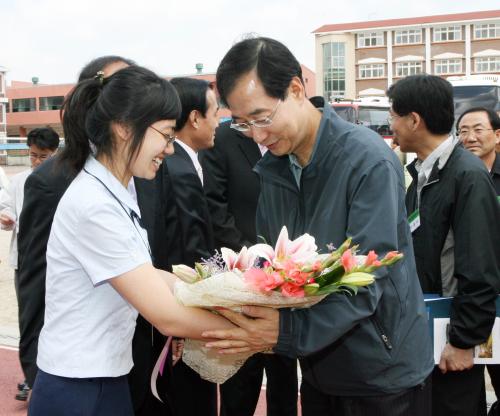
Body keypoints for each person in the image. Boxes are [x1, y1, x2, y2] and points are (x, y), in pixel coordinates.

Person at [202, 36, 433, 416]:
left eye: (262, 118)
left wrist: (284, 333)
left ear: (296, 88)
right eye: (243, 125)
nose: (258, 135)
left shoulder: (366, 160)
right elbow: (274, 269)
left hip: (381, 374)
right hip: (318, 372)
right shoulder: (274, 170)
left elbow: (365, 276)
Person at [26, 66, 235, 415]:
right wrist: (256, 333)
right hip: (78, 387)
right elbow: (166, 316)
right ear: (124, 128)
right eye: (166, 135)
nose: (169, 150)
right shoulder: (94, 205)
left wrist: (228, 291)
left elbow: (150, 275)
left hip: (106, 378)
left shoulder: (119, 190)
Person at [387, 75, 500, 416]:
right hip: (425, 335)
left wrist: (463, 341)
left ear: (414, 120)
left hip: (451, 339)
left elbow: (480, 268)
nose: (390, 124)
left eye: (393, 115)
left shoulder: (466, 175)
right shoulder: (422, 173)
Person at [201, 121, 299, 416]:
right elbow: (214, 205)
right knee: (241, 382)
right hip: (238, 276)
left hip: (286, 275)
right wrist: (252, 260)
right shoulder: (222, 139)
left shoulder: (289, 134)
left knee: (284, 376)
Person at [157, 77, 219, 416]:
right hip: (184, 317)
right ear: (195, 117)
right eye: (215, 111)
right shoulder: (178, 169)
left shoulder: (179, 163)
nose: (218, 120)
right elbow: (191, 250)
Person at [0, 127, 59, 400]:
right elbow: (7, 207)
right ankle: (30, 375)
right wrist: (6, 217)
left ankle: (45, 376)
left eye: (43, 157)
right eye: (33, 155)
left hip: (54, 263)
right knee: (29, 317)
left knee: (50, 319)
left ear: (55, 153)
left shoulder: (62, 180)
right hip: (23, 262)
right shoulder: (19, 181)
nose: (36, 162)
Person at [456, 107, 500, 415]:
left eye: (478, 130)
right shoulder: (455, 177)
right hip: (470, 301)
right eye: (463, 131)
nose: (470, 137)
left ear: (497, 136)